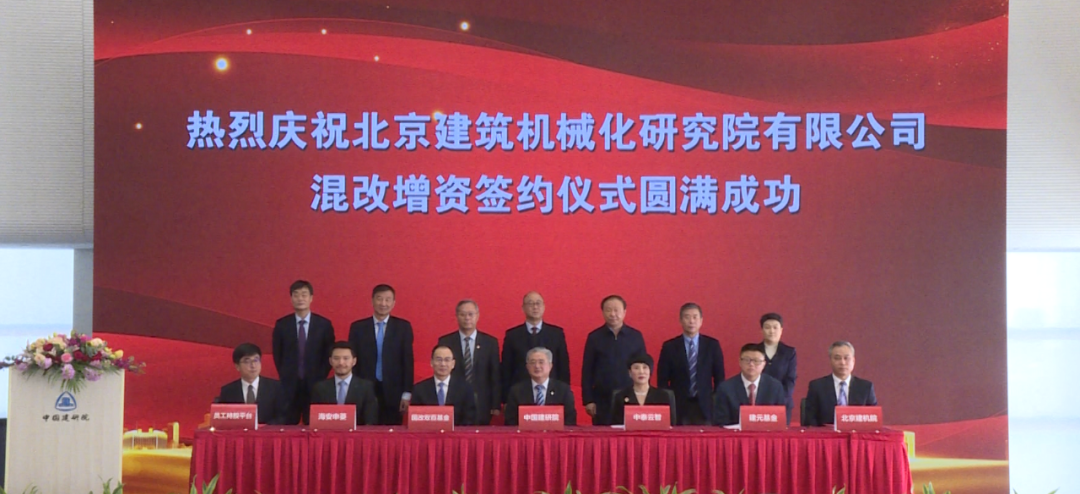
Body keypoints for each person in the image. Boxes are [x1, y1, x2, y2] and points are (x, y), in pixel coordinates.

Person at [348, 284, 414, 425]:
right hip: (364, 388)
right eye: (379, 299)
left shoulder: (403, 327)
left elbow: (407, 362)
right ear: (372, 301)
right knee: (364, 428)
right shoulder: (358, 328)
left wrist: (406, 394)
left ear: (393, 303)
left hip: (394, 391)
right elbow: (352, 362)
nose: (383, 303)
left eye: (387, 299)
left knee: (390, 431)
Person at [271, 280, 335, 424]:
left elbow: (328, 354)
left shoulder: (324, 325)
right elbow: (278, 353)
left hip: (316, 383)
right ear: (291, 298)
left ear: (311, 298)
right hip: (289, 384)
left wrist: (320, 375)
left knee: (314, 424)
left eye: (304, 295)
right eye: (296, 295)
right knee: (287, 424)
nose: (300, 298)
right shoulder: (282, 324)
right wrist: (286, 374)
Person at [582, 295, 647, 425]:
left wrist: (644, 394)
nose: (612, 314)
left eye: (616, 310)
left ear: (624, 312)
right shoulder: (594, 337)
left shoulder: (635, 336)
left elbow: (644, 368)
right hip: (602, 398)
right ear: (602, 312)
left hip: (630, 396)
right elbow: (587, 370)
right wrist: (588, 400)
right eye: (608, 310)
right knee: (603, 434)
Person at [657, 303, 725, 425]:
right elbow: (662, 379)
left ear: (701, 320)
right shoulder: (670, 346)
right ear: (680, 320)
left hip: (705, 404)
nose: (691, 321)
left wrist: (715, 399)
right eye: (687, 317)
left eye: (695, 317)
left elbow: (719, 376)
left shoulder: (712, 345)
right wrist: (668, 401)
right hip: (679, 404)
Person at [436, 300, 501, 425]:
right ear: (456, 316)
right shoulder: (446, 341)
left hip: (482, 402)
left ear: (477, 316)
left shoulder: (490, 342)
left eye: (471, 314)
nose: (467, 318)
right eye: (463, 314)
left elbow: (495, 375)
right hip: (454, 399)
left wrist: (496, 404)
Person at [501, 291, 571, 402]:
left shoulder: (556, 334)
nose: (535, 307)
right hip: (520, 394)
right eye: (530, 303)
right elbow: (506, 369)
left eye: (538, 303)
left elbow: (563, 367)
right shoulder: (512, 335)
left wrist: (565, 395)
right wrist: (505, 399)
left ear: (544, 307)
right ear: (523, 308)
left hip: (551, 394)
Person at [803, 341, 877, 427]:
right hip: (826, 434)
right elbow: (810, 420)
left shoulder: (866, 388)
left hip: (856, 434)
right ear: (830, 360)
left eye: (846, 358)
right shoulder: (817, 386)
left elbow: (873, 420)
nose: (842, 362)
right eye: (837, 358)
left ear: (853, 361)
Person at [714, 343, 786, 426]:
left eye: (756, 361)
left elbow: (780, 419)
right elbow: (721, 421)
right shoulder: (726, 388)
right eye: (747, 360)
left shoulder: (775, 387)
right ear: (740, 362)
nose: (751, 364)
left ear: (764, 364)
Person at [217, 343, 287, 425]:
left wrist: (263, 428)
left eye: (256, 360)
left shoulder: (276, 387)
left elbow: (282, 417)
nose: (253, 365)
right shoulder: (228, 391)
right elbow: (223, 419)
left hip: (267, 432)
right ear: (237, 366)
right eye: (247, 361)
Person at [311, 341, 379, 425]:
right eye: (336, 358)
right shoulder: (320, 388)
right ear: (330, 361)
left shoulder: (366, 388)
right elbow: (315, 421)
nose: (341, 363)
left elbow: (370, 420)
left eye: (346, 358)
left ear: (354, 361)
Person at [504, 347, 577, 426]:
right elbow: (510, 421)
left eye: (541, 362)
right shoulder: (516, 391)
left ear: (550, 365)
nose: (537, 366)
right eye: (533, 362)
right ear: (527, 367)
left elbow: (570, 419)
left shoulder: (563, 390)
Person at [410, 345, 479, 426]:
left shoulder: (465, 389)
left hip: (457, 432)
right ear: (431, 362)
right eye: (439, 360)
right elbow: (416, 419)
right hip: (428, 432)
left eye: (447, 360)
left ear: (453, 364)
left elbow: (470, 418)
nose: (443, 364)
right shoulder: (419, 389)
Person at [610, 353, 676, 426]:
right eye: (636, 368)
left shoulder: (662, 396)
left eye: (645, 367)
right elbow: (616, 425)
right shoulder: (620, 397)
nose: (641, 372)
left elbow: (670, 424)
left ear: (650, 371)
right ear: (630, 373)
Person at [757, 312, 797, 425]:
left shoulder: (789, 352)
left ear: (781, 330)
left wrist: (779, 399)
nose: (771, 331)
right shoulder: (754, 350)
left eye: (775, 327)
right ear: (761, 330)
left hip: (782, 403)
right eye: (767, 327)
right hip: (758, 403)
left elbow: (790, 379)